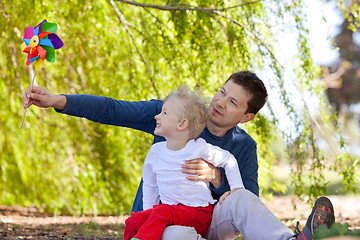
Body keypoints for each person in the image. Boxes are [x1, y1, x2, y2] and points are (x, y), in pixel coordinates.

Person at [23, 71, 335, 240]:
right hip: (166, 222)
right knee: (174, 235)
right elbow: (115, 109)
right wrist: (58, 100)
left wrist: (216, 177)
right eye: (222, 92)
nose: (221, 102)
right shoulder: (175, 114)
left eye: (233, 103)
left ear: (246, 117)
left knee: (241, 199)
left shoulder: (244, 146)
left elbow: (247, 203)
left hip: (211, 222)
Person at [124, 84, 244, 240]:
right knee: (133, 221)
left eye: (164, 113)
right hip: (168, 213)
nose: (157, 116)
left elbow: (229, 160)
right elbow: (150, 186)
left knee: (162, 212)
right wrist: (147, 216)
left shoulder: (198, 148)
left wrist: (237, 188)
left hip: (198, 214)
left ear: (182, 124)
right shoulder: (155, 152)